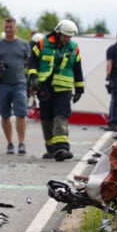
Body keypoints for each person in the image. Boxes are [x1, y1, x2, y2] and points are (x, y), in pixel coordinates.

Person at [28, 19, 84, 161]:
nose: (67, 39)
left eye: (70, 37)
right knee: (46, 117)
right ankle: (50, 149)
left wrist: (79, 89)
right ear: (58, 33)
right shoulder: (41, 44)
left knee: (61, 115)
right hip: (44, 86)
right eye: (65, 36)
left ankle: (61, 148)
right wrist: (33, 80)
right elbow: (32, 63)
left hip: (63, 88)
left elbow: (78, 69)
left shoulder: (74, 48)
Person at [0, 17, 31, 155]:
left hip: (19, 84)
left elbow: (31, 66)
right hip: (3, 84)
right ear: (4, 28)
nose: (8, 29)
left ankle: (21, 143)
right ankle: (9, 143)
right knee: (5, 114)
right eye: (6, 27)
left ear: (15, 28)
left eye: (11, 27)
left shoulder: (23, 45)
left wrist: (34, 86)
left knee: (21, 113)